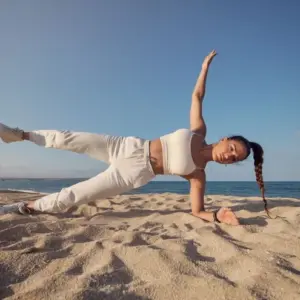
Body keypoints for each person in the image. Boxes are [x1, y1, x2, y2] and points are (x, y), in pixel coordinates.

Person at [0, 50, 270, 226]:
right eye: (233, 148)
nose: (230, 155)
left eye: (235, 158)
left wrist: (217, 215)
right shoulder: (199, 133)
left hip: (134, 173)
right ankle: (17, 135)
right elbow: (197, 97)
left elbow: (196, 211)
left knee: (75, 194)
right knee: (68, 138)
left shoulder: (198, 174)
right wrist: (204, 68)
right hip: (126, 145)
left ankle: (27, 207)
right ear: (224, 139)